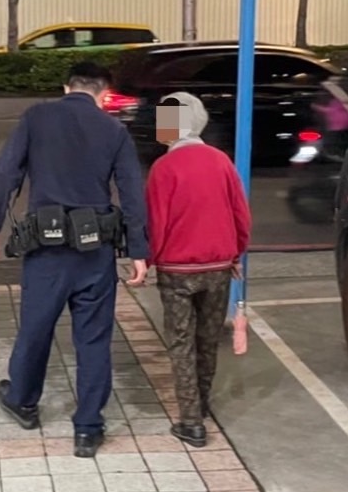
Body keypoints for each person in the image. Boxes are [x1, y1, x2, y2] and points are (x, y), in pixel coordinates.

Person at [0, 62, 149, 458]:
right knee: (93, 338)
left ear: (66, 87)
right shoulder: (114, 130)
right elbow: (132, 193)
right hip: (96, 252)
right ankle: (88, 428)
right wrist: (139, 251)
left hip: (47, 250)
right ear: (104, 94)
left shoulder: (36, 118)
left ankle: (22, 400)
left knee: (36, 327)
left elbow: (7, 172)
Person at [145, 92, 251, 448]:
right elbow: (240, 214)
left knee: (181, 342)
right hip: (218, 266)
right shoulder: (221, 161)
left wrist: (147, 260)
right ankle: (202, 404)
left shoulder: (163, 168)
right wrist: (235, 254)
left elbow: (156, 223)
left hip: (177, 269)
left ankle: (190, 421)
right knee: (207, 339)